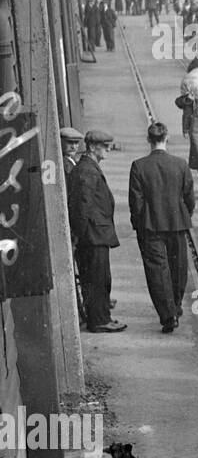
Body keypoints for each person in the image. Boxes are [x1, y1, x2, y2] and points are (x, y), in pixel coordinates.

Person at [128, 122, 194, 333]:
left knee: (157, 270)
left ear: (149, 140)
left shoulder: (139, 166)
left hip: (151, 225)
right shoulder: (181, 164)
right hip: (177, 223)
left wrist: (140, 224)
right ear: (167, 139)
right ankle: (176, 304)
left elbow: (135, 202)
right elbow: (189, 198)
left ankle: (168, 316)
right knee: (179, 266)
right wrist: (184, 216)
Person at [70, 130, 125, 332]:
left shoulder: (88, 168)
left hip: (95, 234)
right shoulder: (87, 171)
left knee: (99, 279)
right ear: (93, 148)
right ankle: (100, 320)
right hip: (92, 236)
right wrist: (81, 235)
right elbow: (82, 207)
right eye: (105, 146)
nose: (108, 150)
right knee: (96, 279)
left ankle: (101, 317)